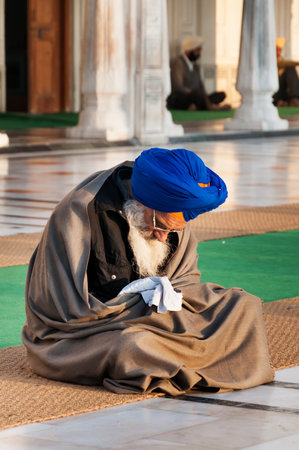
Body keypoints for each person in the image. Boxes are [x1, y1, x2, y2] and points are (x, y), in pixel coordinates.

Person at [22, 148, 273, 395]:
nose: (163, 238)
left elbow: (185, 280)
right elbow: (62, 312)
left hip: (154, 318)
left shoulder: (169, 206)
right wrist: (136, 305)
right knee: (132, 346)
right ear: (140, 201)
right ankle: (190, 356)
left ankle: (174, 359)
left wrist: (168, 300)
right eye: (160, 227)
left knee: (242, 306)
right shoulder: (80, 212)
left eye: (172, 231)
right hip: (82, 335)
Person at [166, 36, 231, 111]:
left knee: (221, 95)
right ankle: (212, 107)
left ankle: (198, 106)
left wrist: (204, 96)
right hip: (183, 97)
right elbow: (178, 87)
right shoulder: (178, 63)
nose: (199, 53)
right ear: (188, 50)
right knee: (198, 94)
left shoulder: (195, 66)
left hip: (197, 97)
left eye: (200, 50)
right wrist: (194, 93)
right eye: (197, 50)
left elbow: (201, 85)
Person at [273, 37, 299, 107]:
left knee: (290, 67)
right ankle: (279, 102)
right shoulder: (265, 62)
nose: (278, 52)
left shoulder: (283, 62)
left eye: (279, 49)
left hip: (284, 93)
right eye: (276, 49)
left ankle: (294, 99)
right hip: (273, 95)